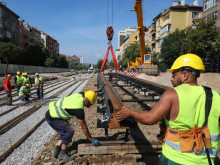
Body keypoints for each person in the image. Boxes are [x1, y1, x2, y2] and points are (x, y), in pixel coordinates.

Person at [116, 53, 220, 165]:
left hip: (175, 159)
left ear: (185, 75)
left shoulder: (173, 94)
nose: (171, 79)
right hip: (207, 161)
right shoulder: (215, 95)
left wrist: (130, 113)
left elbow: (150, 119)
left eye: (174, 75)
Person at [45, 90, 101, 162]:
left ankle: (57, 149)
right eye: (91, 104)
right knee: (69, 131)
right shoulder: (78, 110)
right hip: (53, 118)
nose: (90, 106)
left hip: (52, 113)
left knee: (64, 130)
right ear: (87, 101)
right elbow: (84, 128)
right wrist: (91, 139)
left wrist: (97, 90)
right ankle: (62, 153)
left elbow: (88, 92)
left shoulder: (81, 95)